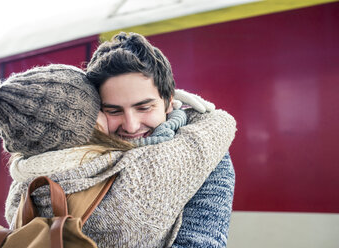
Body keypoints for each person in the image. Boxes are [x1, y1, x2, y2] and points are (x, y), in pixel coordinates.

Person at [0, 64, 236, 247]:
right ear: (87, 124)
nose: (131, 127)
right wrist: (178, 108)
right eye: (106, 109)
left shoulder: (21, 192)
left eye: (143, 107)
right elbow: (216, 129)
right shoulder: (131, 182)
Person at [86, 32, 236, 247]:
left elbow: (201, 242)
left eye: (144, 108)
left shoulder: (209, 151)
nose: (131, 125)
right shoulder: (80, 153)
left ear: (168, 102)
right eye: (113, 111)